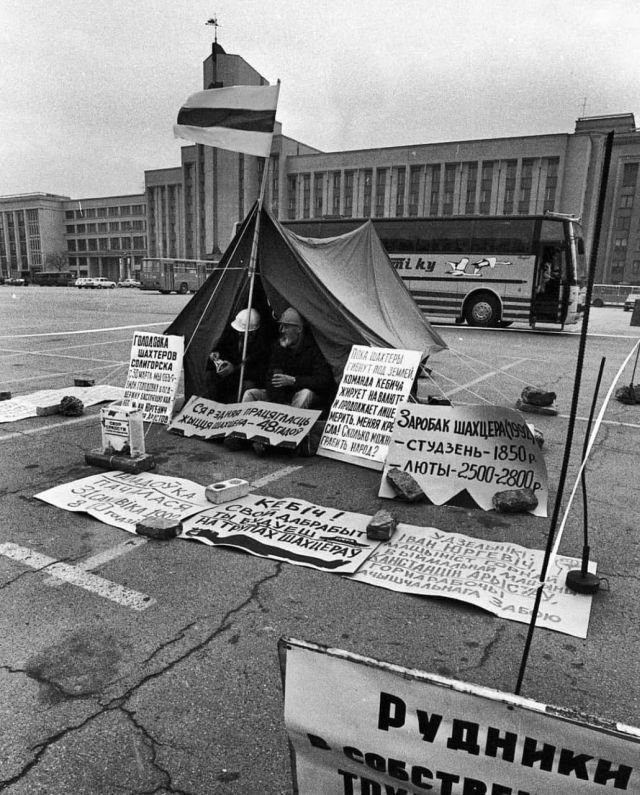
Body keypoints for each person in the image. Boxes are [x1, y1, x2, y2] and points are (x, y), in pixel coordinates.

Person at [242, 307, 334, 409]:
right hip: (280, 398)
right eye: (281, 326)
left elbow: (323, 380)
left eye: (286, 327)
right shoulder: (279, 347)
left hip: (299, 396)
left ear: (299, 329)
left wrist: (294, 381)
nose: (282, 330)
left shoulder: (313, 349)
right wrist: (279, 403)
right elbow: (271, 379)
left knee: (306, 394)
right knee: (250, 394)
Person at [205, 307, 269, 403]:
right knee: (210, 376)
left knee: (249, 386)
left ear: (254, 333)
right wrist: (216, 355)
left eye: (244, 334)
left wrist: (235, 369)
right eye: (239, 333)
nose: (240, 335)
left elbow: (259, 373)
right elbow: (222, 348)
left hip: (245, 378)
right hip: (228, 376)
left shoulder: (261, 346)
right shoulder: (232, 335)